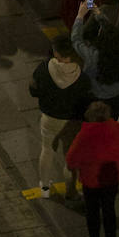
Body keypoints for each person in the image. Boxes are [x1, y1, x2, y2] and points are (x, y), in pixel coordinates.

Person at [28, 35, 94, 198]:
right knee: (69, 157)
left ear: (56, 52)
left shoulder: (43, 68)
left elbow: (33, 90)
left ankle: (44, 188)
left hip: (49, 118)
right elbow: (87, 102)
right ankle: (71, 190)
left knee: (47, 149)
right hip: (72, 122)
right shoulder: (82, 78)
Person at [66, 100, 119, 237]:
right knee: (109, 210)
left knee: (93, 211)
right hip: (112, 178)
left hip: (91, 181)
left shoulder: (85, 134)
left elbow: (71, 159)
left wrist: (74, 167)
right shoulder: (116, 128)